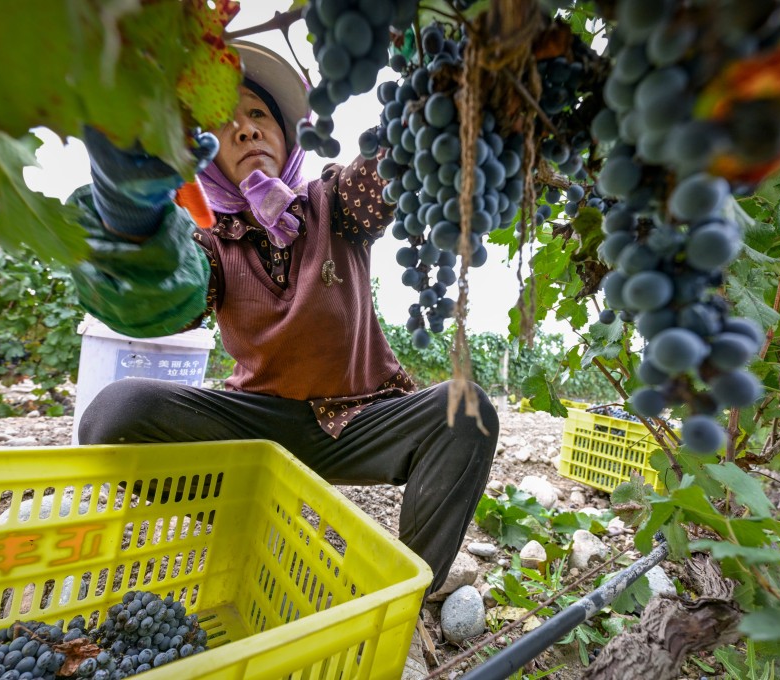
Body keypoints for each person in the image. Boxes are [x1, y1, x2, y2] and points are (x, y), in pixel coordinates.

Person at [70, 41, 498, 601]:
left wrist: (447, 84)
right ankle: (254, 528)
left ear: (289, 134)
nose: (245, 130)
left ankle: (398, 593)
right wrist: (130, 215)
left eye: (258, 115)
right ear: (208, 155)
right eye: (225, 124)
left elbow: (394, 168)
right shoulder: (209, 245)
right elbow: (167, 295)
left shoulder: (335, 202)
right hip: (258, 426)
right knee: (113, 414)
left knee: (466, 410)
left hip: (358, 421)